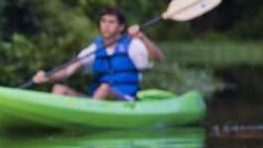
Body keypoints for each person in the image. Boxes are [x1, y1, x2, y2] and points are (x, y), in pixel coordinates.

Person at [31, 6, 165, 100]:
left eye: (111, 22)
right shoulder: (94, 49)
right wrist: (47, 77)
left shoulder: (133, 45)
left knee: (105, 88)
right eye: (103, 21)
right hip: (96, 100)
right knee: (59, 89)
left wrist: (142, 37)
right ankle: (54, 123)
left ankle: (88, 116)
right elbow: (67, 71)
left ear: (121, 27)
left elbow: (158, 58)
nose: (106, 26)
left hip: (125, 101)